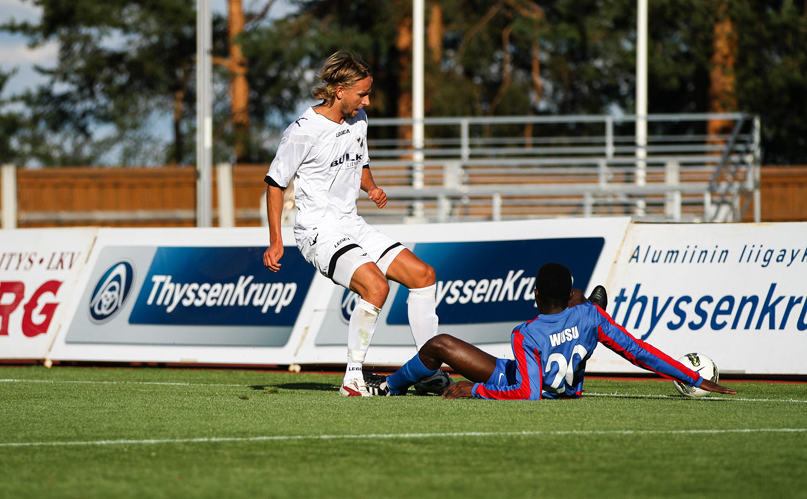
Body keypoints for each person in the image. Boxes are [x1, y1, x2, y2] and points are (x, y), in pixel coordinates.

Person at [263, 49, 447, 397]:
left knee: (423, 276)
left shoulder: (358, 120)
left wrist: (371, 186)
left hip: (353, 224)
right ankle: (352, 379)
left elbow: (358, 162)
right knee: (376, 288)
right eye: (362, 93)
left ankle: (426, 371)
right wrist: (276, 241)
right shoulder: (302, 131)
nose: (367, 100)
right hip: (318, 232)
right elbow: (274, 184)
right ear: (339, 91)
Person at [375, 262, 736, 399]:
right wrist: (694, 377)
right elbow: (640, 351)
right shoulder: (591, 317)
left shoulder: (525, 332)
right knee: (589, 308)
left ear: (535, 294)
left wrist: (477, 391)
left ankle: (389, 386)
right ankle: (429, 380)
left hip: (516, 378)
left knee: (438, 344)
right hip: (562, 370)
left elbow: (527, 393)